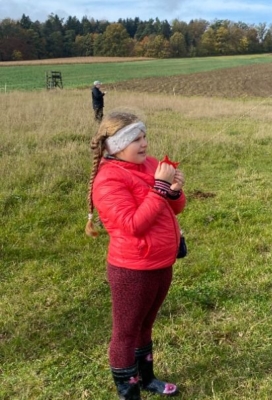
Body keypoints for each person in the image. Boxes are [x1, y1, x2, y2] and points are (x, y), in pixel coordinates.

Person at [85, 111, 186, 399]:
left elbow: (174, 208)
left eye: (144, 137)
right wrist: (161, 187)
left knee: (146, 323)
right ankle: (128, 393)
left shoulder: (150, 165)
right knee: (126, 332)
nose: (144, 144)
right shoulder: (108, 181)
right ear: (116, 146)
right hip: (132, 268)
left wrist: (175, 191)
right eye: (135, 140)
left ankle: (146, 378)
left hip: (160, 262)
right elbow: (133, 225)